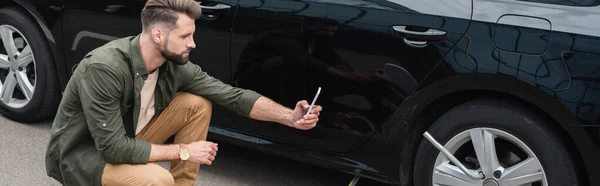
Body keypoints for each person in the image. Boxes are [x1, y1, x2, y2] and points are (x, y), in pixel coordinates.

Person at [44, 0, 322, 185]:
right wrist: (186, 151)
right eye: (185, 37)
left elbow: (231, 96)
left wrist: (290, 117)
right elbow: (113, 149)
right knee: (157, 180)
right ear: (157, 35)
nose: (193, 44)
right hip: (85, 155)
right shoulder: (106, 68)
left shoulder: (174, 65)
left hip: (127, 137)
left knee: (197, 103)